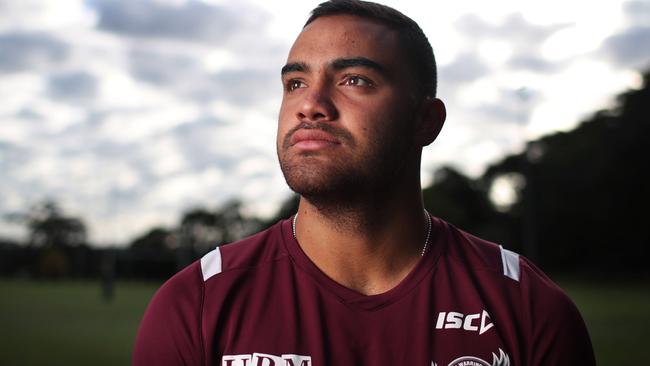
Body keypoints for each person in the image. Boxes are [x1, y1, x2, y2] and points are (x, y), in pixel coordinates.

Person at [133, 1, 596, 365]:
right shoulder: (195, 304)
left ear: (425, 121)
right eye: (295, 83)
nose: (310, 104)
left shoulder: (528, 309)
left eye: (354, 79)